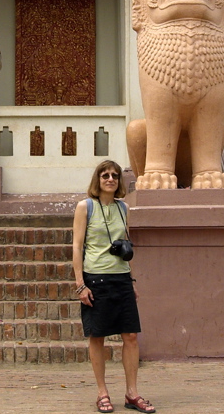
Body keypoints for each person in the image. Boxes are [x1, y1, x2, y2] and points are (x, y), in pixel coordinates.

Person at [72, 160, 155, 414]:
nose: (110, 179)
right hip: (95, 278)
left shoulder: (123, 208)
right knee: (98, 336)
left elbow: (126, 245)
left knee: (130, 336)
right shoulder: (85, 207)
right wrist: (80, 285)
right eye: (105, 175)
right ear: (97, 180)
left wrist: (132, 280)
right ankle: (102, 392)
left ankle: (132, 393)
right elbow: (76, 246)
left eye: (115, 176)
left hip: (121, 277)